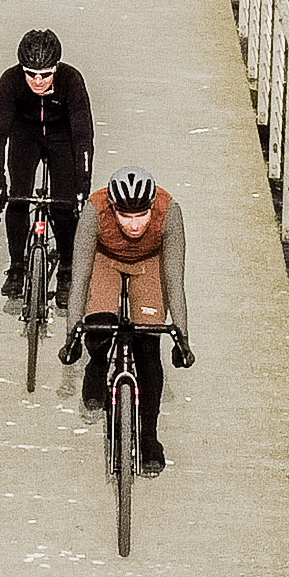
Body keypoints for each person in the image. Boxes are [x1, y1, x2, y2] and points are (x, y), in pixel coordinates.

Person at [61, 166, 193, 472]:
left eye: (141, 215)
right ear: (113, 208)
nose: (134, 224)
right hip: (105, 259)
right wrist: (72, 337)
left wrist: (182, 338)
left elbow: (174, 279)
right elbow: (79, 278)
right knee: (99, 324)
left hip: (149, 263)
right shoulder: (95, 210)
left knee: (148, 347)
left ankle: (150, 436)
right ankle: (97, 364)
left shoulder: (169, 211)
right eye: (125, 216)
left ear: (151, 208)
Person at [0, 28, 94, 306]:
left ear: (56, 68)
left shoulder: (71, 80)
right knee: (17, 200)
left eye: (45, 75)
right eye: (30, 73)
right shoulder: (10, 81)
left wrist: (82, 186)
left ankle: (67, 269)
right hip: (25, 132)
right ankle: (18, 266)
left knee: (65, 206)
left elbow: (83, 137)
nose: (37, 81)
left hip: (62, 133)